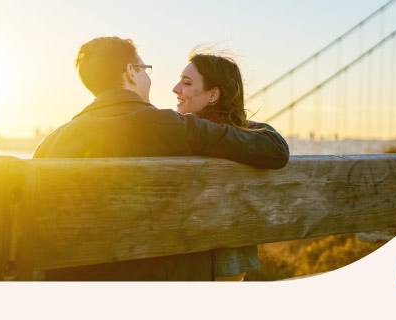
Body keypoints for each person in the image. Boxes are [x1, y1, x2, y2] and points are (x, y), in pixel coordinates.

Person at [34, 36, 289, 280]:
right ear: (131, 72)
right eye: (145, 69)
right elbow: (274, 149)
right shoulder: (172, 128)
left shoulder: (51, 144)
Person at [173, 53, 275, 281]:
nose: (175, 88)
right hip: (227, 266)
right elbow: (277, 147)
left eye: (186, 83)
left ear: (213, 95)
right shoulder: (244, 142)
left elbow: (278, 149)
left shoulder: (180, 135)